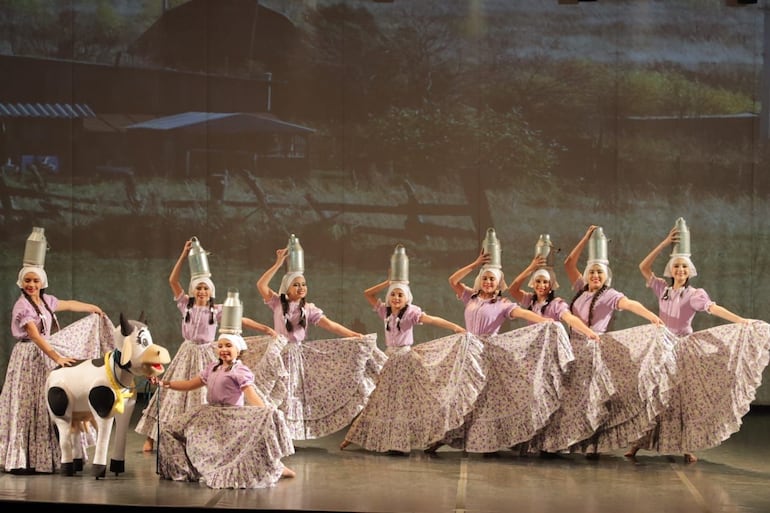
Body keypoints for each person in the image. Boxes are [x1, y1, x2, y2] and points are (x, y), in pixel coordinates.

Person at [625, 220, 769, 463]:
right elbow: (643, 266)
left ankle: (685, 446)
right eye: (676, 266)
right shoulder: (663, 289)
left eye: (684, 267)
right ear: (671, 270)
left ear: (689, 271)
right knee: (654, 394)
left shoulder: (694, 294)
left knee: (680, 398)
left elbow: (713, 308)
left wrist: (740, 320)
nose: (680, 270)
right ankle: (638, 443)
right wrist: (664, 243)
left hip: (682, 348)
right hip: (662, 347)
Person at [534, 224, 674, 459]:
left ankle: (592, 444)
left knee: (592, 398)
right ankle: (561, 442)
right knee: (568, 397)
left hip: (592, 348)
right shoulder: (581, 288)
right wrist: (586, 237)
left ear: (605, 275)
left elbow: (630, 304)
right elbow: (569, 262)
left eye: (599, 273)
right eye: (592, 272)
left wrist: (651, 316)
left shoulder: (609, 295)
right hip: (572, 347)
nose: (595, 276)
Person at [429, 244, 573, 454]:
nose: (488, 282)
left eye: (492, 280)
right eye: (485, 278)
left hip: (487, 352)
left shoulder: (503, 304)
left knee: (485, 398)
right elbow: (453, 280)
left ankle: (490, 440)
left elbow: (524, 314)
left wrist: (546, 321)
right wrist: (476, 264)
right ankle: (444, 436)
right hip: (467, 351)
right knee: (459, 394)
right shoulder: (471, 297)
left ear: (498, 284)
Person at [135, 239, 277, 452]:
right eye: (198, 288)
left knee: (203, 393)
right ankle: (153, 436)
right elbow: (173, 280)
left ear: (211, 292)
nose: (202, 291)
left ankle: (198, 437)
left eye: (205, 288)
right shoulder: (186, 305)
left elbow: (242, 319)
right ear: (193, 290)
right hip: (187, 352)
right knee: (171, 393)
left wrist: (265, 329)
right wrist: (183, 255)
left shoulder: (216, 310)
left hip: (206, 353)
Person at [340, 264, 486, 454]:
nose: (396, 298)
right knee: (380, 400)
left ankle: (407, 441)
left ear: (406, 297)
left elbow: (432, 319)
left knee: (405, 401)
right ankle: (356, 437)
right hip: (390, 359)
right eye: (393, 294)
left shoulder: (410, 313)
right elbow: (368, 294)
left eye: (400, 295)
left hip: (405, 359)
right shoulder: (385, 311)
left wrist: (455, 328)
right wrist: (389, 282)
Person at [256, 245, 385, 440]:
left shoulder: (308, 308)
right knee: (277, 393)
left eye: (303, 284)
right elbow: (261, 285)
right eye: (296, 285)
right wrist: (278, 263)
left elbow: (330, 325)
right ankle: (274, 434)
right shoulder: (277, 303)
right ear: (287, 288)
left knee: (293, 394)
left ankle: (288, 436)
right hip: (278, 353)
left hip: (296, 356)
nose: (301, 288)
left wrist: (353, 335)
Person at [0, 265, 105, 474]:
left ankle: (59, 455)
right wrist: (57, 357)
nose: (31, 285)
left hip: (45, 356)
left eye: (35, 281)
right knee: (28, 405)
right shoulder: (22, 306)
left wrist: (92, 307)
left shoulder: (46, 301)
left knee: (51, 405)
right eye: (27, 281)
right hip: (28, 358)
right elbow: (36, 336)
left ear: (42, 283)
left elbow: (69, 304)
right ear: (21, 283)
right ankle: (24, 459)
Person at [156, 332, 295, 488]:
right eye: (220, 345)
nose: (223, 349)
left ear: (238, 350)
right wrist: (165, 383)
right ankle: (185, 470)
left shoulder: (239, 370)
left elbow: (251, 394)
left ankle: (277, 469)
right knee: (170, 430)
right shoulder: (212, 368)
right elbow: (189, 385)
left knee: (232, 452)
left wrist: (265, 412)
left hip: (230, 415)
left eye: (228, 346)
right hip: (209, 412)